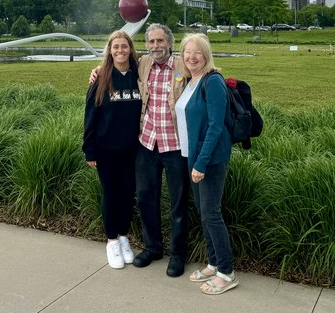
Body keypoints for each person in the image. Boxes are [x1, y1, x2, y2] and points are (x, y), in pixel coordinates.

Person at [89, 23, 188, 277]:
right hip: (146, 144)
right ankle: (152, 247)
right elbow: (94, 109)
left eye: (160, 41)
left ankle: (177, 255)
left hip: (174, 145)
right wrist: (98, 69)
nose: (156, 46)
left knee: (177, 203)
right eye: (152, 42)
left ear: (169, 43)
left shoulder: (180, 66)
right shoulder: (142, 66)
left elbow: (203, 69)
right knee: (144, 200)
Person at [173, 33, 239, 295]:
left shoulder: (212, 82)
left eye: (197, 52)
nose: (191, 57)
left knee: (211, 213)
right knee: (204, 212)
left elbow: (215, 126)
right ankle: (213, 262)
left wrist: (200, 163)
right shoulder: (191, 81)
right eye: (187, 52)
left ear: (206, 55)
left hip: (209, 160)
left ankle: (226, 271)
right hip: (193, 157)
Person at [82, 30, 142, 269]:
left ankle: (124, 236)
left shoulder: (139, 75)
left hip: (133, 149)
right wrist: (90, 150)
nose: (120, 50)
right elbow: (90, 115)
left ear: (130, 49)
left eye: (124, 46)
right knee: (111, 194)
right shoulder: (101, 78)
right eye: (115, 47)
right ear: (110, 50)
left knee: (128, 194)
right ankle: (111, 241)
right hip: (106, 149)